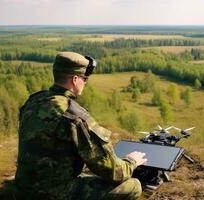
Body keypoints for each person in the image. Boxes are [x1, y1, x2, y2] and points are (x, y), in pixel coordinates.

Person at [15, 52, 147, 200]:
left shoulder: (34, 101)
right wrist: (131, 161)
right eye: (85, 79)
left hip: (24, 188)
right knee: (134, 186)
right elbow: (113, 172)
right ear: (75, 79)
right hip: (54, 194)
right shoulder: (74, 115)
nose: (85, 83)